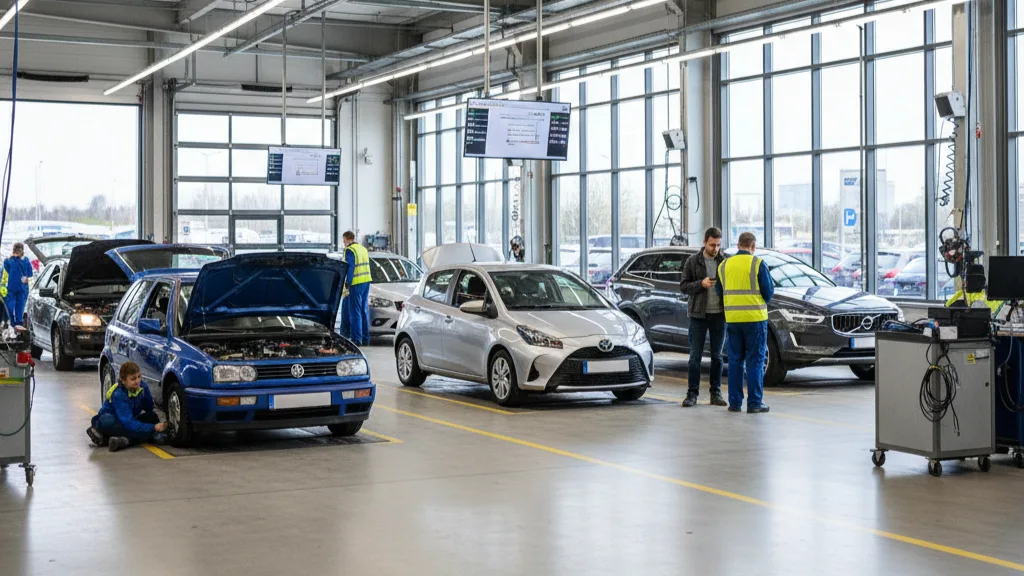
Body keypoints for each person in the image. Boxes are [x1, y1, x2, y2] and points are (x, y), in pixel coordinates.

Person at [716, 232, 774, 414]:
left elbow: (719, 291)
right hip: (755, 319)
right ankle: (755, 403)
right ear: (753, 246)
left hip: (733, 319)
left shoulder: (724, 265)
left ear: (738, 244)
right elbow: (768, 293)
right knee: (755, 361)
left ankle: (734, 403)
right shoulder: (757, 263)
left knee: (735, 361)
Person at [679, 227, 728, 408]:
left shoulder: (724, 261)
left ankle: (716, 393)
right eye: (712, 245)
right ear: (704, 242)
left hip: (719, 315)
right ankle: (692, 394)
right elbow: (684, 286)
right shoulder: (693, 261)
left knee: (717, 357)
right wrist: (701, 284)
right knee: (695, 357)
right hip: (698, 315)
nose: (715, 249)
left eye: (718, 245)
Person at [86, 362, 168, 452]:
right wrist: (153, 428)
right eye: (133, 379)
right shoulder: (119, 394)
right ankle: (112, 437)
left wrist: (146, 395)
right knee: (108, 421)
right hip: (113, 422)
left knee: (152, 417)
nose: (137, 381)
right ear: (123, 380)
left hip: (128, 420)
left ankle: (123, 440)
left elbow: (149, 408)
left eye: (139, 377)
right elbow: (128, 423)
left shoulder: (142, 387)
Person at [342, 231, 372, 346]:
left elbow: (350, 267)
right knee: (363, 310)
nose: (344, 243)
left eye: (344, 240)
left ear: (347, 239)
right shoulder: (363, 249)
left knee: (355, 312)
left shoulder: (350, 250)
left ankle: (356, 340)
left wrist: (347, 283)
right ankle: (365, 338)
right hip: (366, 281)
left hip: (356, 283)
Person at [3, 243, 32, 327]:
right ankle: (16, 322)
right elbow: (30, 274)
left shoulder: (10, 260)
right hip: (19, 287)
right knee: (17, 306)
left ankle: (15, 322)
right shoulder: (24, 260)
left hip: (16, 286)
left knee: (15, 306)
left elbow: (7, 269)